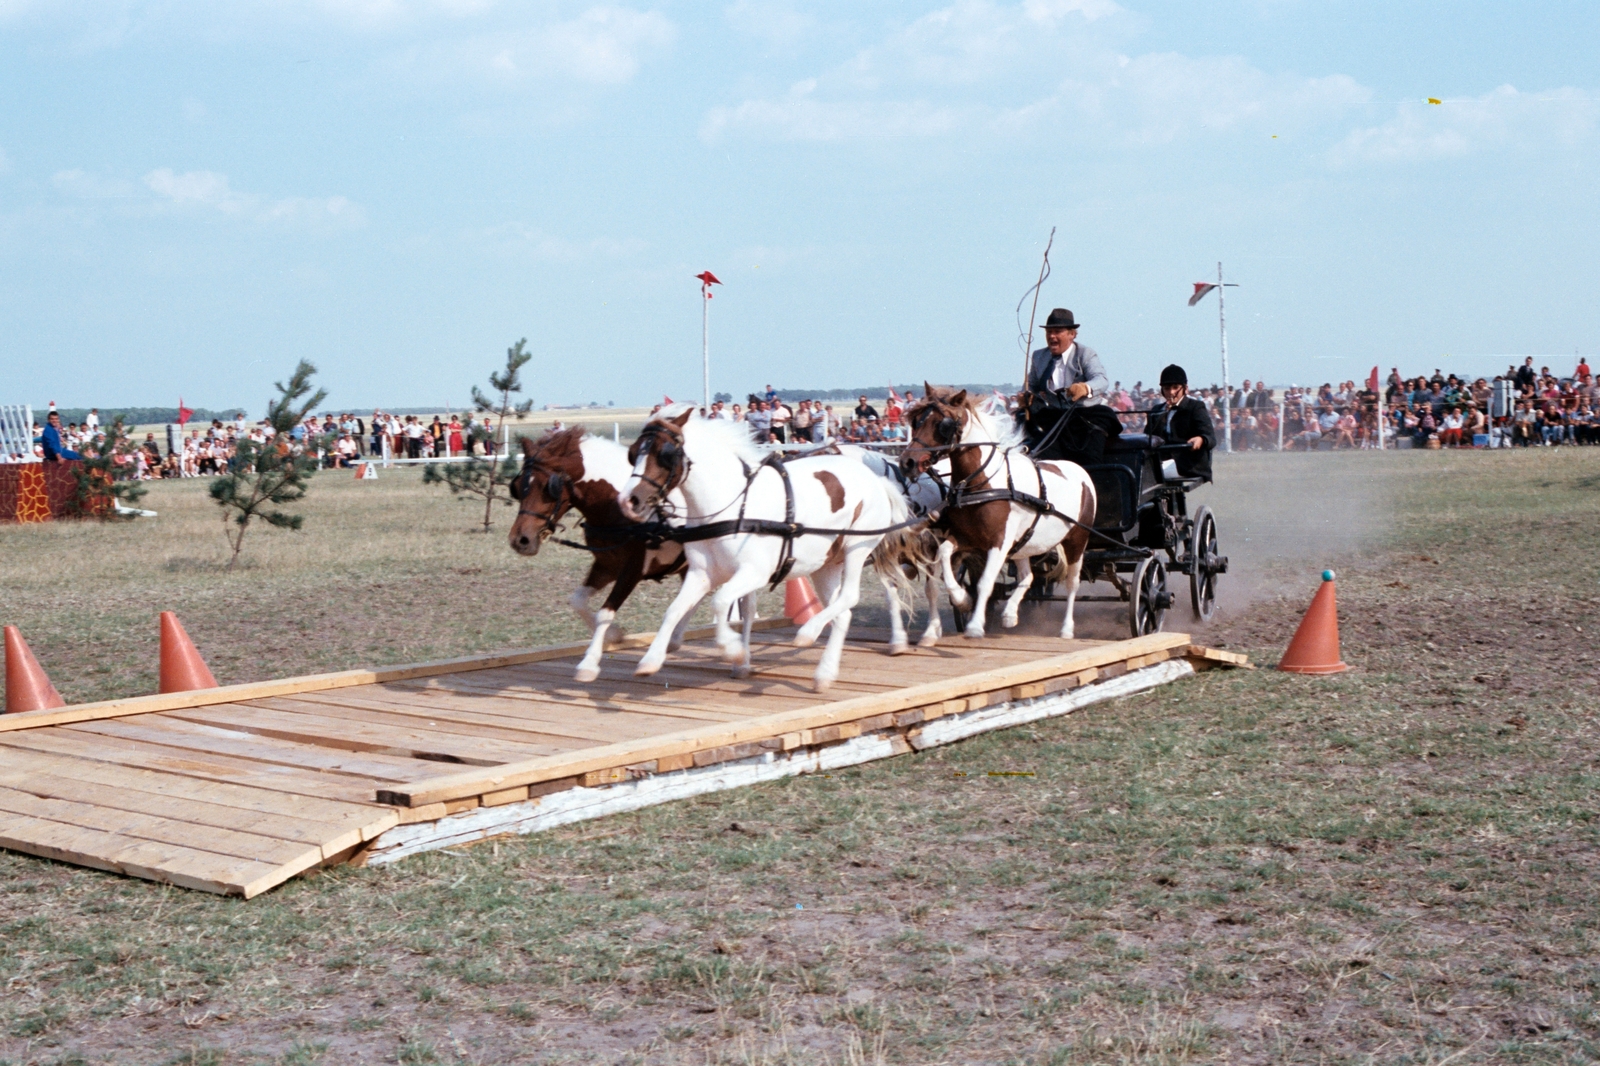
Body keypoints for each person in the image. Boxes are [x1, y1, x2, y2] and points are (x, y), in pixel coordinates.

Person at [1019, 307, 1119, 462]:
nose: (1051, 336)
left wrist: (1085, 387)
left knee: (1088, 456)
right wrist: (1026, 396)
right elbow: (1031, 385)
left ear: (1072, 334)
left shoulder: (1085, 354)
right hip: (1054, 417)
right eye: (1048, 332)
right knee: (1038, 451)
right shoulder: (1039, 356)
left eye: (1057, 331)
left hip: (1085, 416)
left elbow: (1101, 379)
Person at [1143, 364, 1215, 481]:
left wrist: (1201, 439)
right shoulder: (1157, 410)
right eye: (1167, 388)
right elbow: (1147, 437)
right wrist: (1161, 416)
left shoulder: (1195, 407)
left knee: (1147, 476)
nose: (1171, 392)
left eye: (1175, 387)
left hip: (1186, 463)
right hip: (1161, 461)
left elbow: (1210, 437)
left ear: (1185, 388)